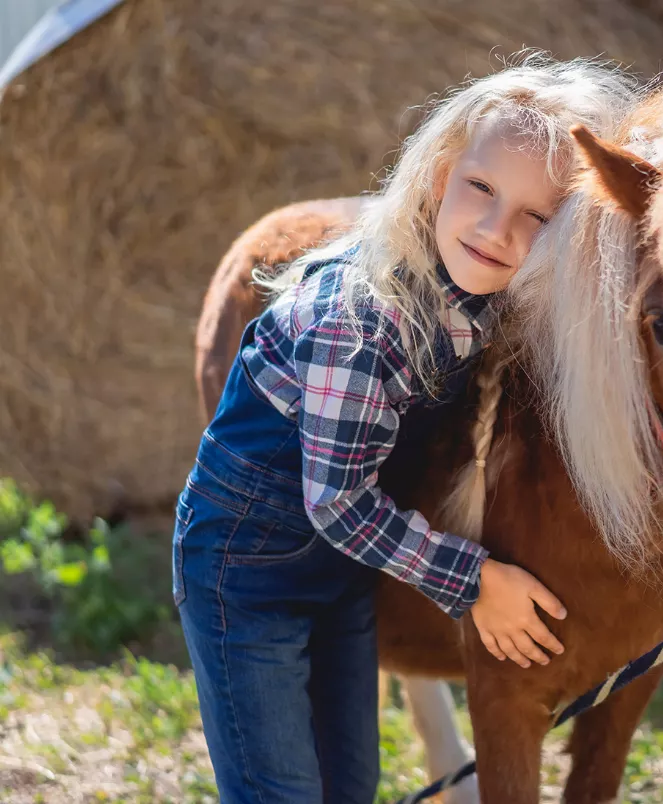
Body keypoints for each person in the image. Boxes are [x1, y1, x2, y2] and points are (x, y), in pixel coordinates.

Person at [171, 54, 638, 803]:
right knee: (279, 791)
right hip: (247, 570)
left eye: (536, 217)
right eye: (481, 189)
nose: (497, 229)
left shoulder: (479, 287)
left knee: (348, 784)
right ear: (436, 174)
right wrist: (475, 580)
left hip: (338, 572)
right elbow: (338, 505)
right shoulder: (359, 325)